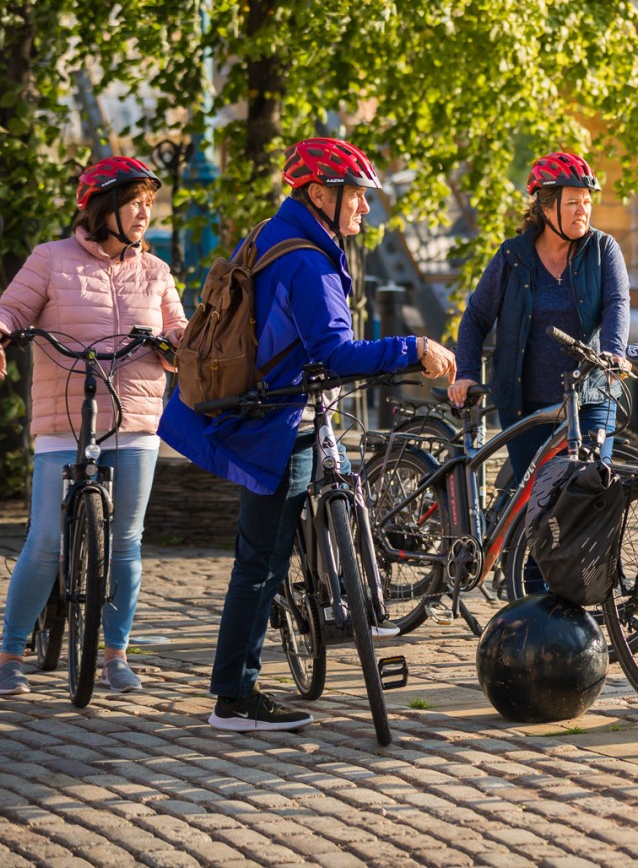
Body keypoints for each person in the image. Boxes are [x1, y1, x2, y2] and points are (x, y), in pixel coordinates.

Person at [159, 138, 457, 732]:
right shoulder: (308, 259)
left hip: (262, 408)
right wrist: (414, 347)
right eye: (357, 196)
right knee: (261, 562)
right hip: (275, 421)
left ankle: (276, 651)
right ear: (320, 193)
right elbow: (335, 351)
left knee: (262, 554)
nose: (365, 210)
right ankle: (235, 697)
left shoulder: (276, 233)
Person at [0, 156, 187, 697]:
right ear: (102, 209)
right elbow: (9, 309)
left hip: (136, 420)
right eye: (134, 201)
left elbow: (179, 330)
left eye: (148, 201)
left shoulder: (156, 271)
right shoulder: (51, 260)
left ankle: (115, 654)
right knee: (45, 541)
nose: (145, 211)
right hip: (64, 419)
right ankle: (9, 656)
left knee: (126, 544)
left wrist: (182, 347)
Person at [448, 150, 630, 483]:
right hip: (525, 406)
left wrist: (614, 353)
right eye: (573, 202)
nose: (583, 211)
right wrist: (468, 373)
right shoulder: (512, 256)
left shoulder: (603, 250)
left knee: (593, 488)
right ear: (546, 207)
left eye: (587, 202)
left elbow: (616, 302)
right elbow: (475, 318)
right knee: (536, 499)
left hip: (591, 398)